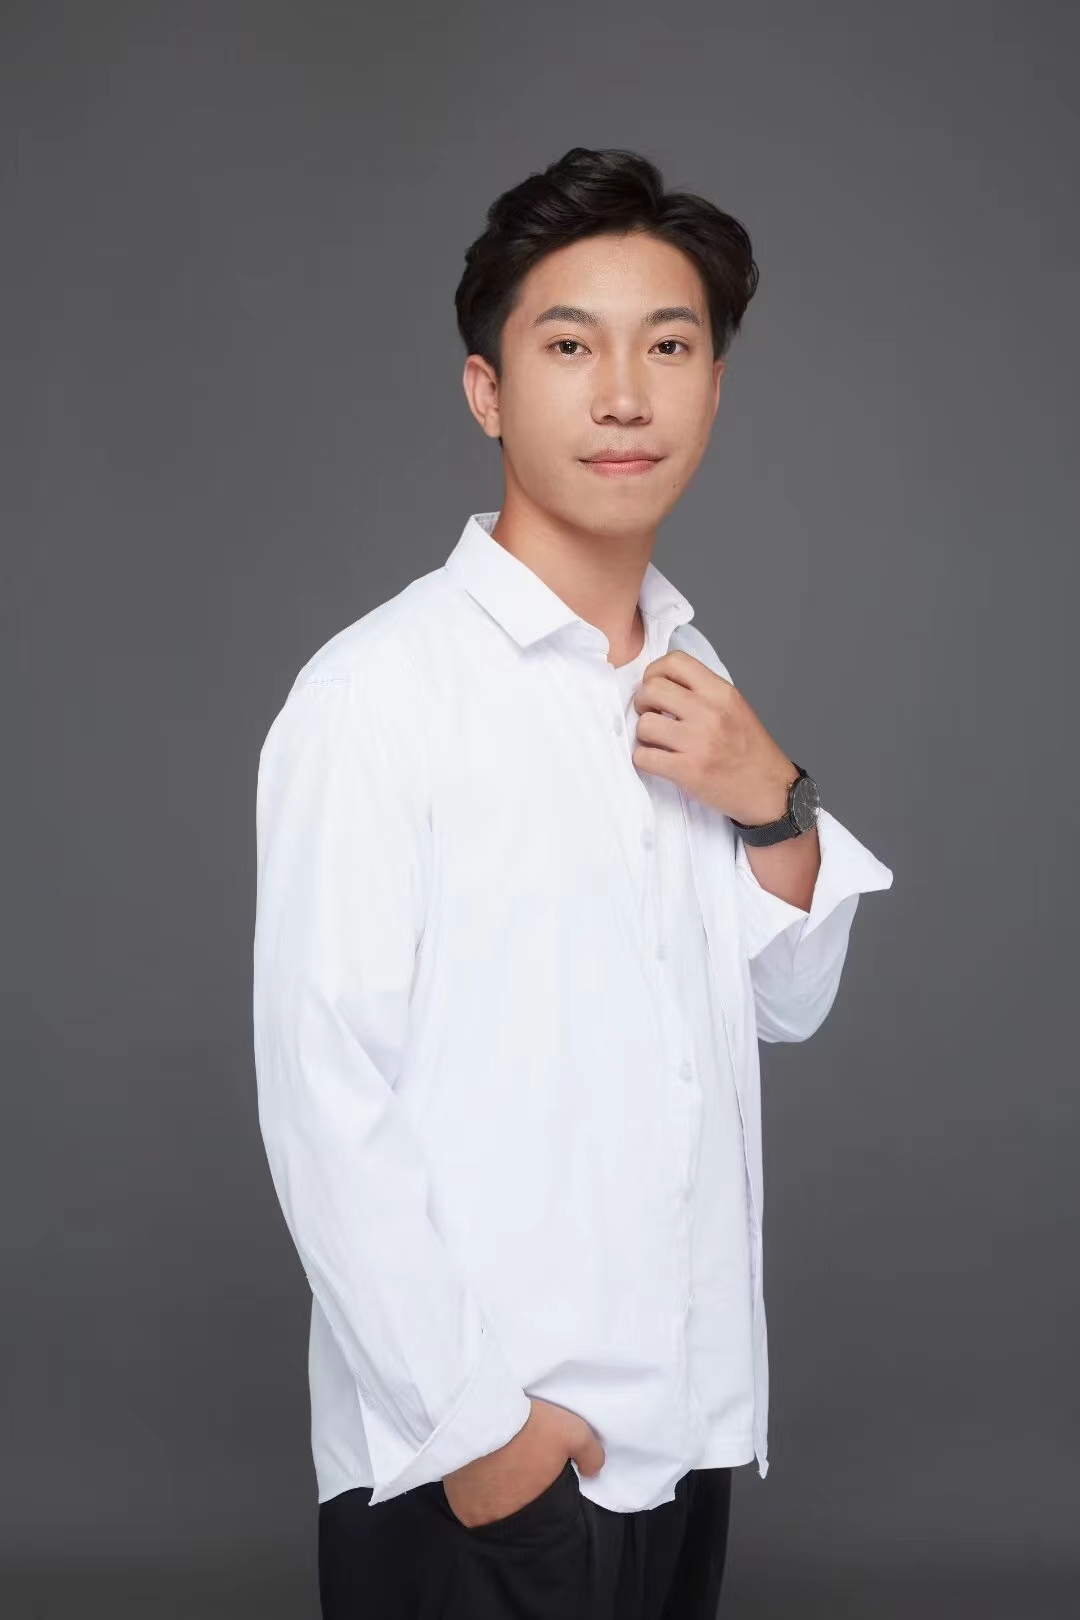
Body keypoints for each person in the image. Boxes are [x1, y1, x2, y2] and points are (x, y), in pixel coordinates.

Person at [252, 145, 893, 1620]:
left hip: (686, 1434)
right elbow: (323, 1095)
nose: (623, 395)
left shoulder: (692, 674)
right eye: (568, 347)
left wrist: (774, 801)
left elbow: (784, 1007)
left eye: (668, 347)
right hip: (481, 1462)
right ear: (487, 391)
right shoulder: (378, 695)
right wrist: (483, 1438)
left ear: (713, 389)